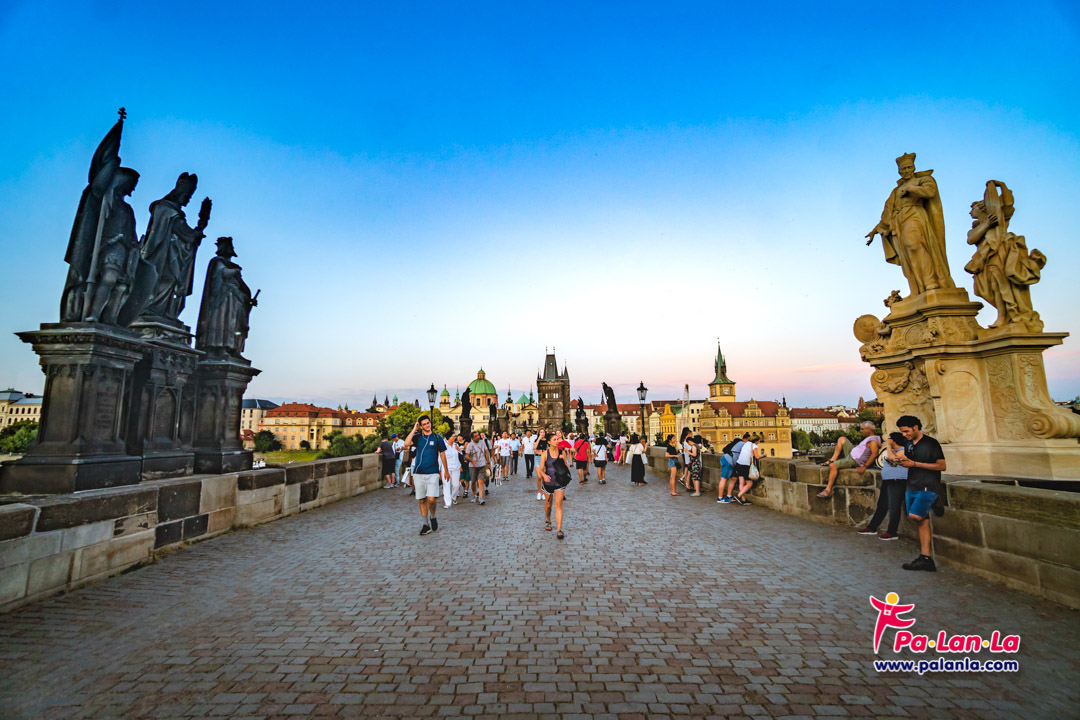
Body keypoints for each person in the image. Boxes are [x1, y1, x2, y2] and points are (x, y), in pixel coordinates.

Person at [897, 415, 947, 572]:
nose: (904, 435)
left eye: (906, 431)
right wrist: (902, 462)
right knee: (921, 520)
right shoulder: (908, 443)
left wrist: (915, 464)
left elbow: (942, 466)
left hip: (928, 485)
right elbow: (910, 461)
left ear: (916, 427)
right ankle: (926, 558)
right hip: (912, 484)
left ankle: (936, 499)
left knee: (916, 516)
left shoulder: (931, 443)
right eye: (902, 432)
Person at [400, 416, 449, 536]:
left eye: (428, 423)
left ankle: (433, 516)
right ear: (421, 426)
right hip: (418, 472)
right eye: (424, 424)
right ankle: (425, 524)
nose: (427, 425)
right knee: (422, 499)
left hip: (433, 472)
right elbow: (406, 443)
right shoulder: (418, 437)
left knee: (431, 499)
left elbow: (442, 454)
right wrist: (414, 430)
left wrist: (445, 471)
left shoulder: (437, 437)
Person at [858, 432, 908, 540]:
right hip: (888, 480)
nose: (888, 440)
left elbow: (893, 459)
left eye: (890, 439)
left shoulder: (903, 450)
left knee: (894, 506)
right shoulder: (893, 451)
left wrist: (889, 446)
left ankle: (892, 532)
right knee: (882, 505)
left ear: (894, 440)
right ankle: (872, 527)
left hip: (897, 481)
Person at [817, 422, 882, 498]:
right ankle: (832, 459)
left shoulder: (873, 441)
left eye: (862, 429)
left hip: (854, 460)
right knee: (842, 439)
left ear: (869, 429)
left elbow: (874, 454)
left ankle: (828, 490)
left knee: (833, 466)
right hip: (852, 454)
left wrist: (864, 466)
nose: (860, 431)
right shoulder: (870, 438)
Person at [537, 429, 571, 539]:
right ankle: (548, 519)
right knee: (548, 505)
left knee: (558, 505)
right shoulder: (544, 454)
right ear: (549, 442)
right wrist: (544, 475)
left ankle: (559, 529)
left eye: (557, 439)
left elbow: (567, 466)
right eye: (554, 440)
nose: (557, 441)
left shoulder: (562, 453)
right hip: (548, 482)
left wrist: (562, 461)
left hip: (560, 481)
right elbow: (541, 469)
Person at [465, 430, 492, 505]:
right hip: (472, 466)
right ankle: (474, 495)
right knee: (473, 482)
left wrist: (488, 462)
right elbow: (466, 456)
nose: (478, 437)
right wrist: (472, 461)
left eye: (478, 435)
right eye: (476, 436)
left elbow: (486, 452)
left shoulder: (482, 442)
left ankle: (480, 497)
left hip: (482, 464)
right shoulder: (470, 445)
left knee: (480, 481)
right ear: (473, 438)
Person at [734, 434, 761, 504]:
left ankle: (743, 500)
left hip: (738, 464)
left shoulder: (746, 444)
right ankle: (739, 496)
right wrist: (764, 455)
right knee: (749, 483)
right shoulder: (754, 446)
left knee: (741, 482)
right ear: (756, 441)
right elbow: (757, 456)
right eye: (758, 441)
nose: (758, 442)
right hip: (744, 465)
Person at [441, 431, 462, 509]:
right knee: (446, 485)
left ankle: (453, 497)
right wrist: (440, 469)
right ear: (449, 437)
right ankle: (447, 502)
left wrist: (459, 450)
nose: (455, 437)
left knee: (456, 485)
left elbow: (461, 455)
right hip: (446, 467)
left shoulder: (456, 445)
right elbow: (440, 458)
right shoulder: (443, 445)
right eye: (453, 436)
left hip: (456, 467)